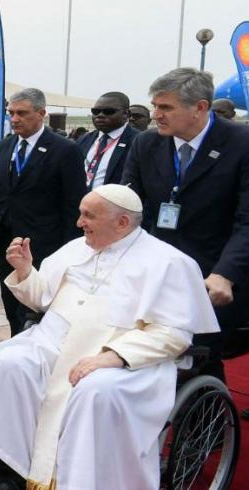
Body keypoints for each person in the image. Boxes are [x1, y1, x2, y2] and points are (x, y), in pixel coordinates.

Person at [0, 185, 219, 490]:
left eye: (89, 216)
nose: (79, 223)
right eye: (80, 213)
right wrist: (26, 271)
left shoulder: (169, 263)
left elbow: (173, 335)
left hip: (122, 358)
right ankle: (7, 473)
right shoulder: (77, 248)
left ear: (122, 223)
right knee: (11, 361)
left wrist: (112, 356)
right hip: (53, 343)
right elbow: (42, 300)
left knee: (95, 390)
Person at [122, 67, 249, 381]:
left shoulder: (241, 144)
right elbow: (130, 206)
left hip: (213, 277)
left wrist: (225, 274)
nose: (156, 115)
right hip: (156, 273)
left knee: (197, 361)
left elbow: (247, 221)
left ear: (200, 108)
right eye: (155, 105)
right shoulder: (146, 144)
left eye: (166, 107)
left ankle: (209, 427)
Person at [0, 88, 88, 336]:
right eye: (11, 113)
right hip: (6, 240)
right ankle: (17, 345)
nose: (14, 119)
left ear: (41, 113)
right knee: (11, 300)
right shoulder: (4, 147)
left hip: (44, 244)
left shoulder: (65, 150)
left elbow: (73, 206)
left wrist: (72, 250)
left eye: (22, 113)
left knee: (38, 306)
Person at [75, 92, 137, 189]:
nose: (100, 115)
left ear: (126, 114)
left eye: (108, 111)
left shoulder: (137, 141)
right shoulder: (84, 139)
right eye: (95, 111)